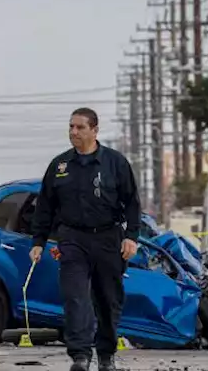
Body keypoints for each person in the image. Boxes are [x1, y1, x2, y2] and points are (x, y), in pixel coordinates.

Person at [29, 107, 140, 371]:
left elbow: (132, 203)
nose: (74, 132)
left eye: (79, 127)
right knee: (74, 297)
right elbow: (44, 207)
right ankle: (80, 355)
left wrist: (131, 237)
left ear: (94, 130)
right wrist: (38, 241)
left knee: (108, 299)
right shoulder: (59, 166)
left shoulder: (115, 163)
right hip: (72, 239)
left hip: (107, 238)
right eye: (71, 127)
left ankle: (106, 354)